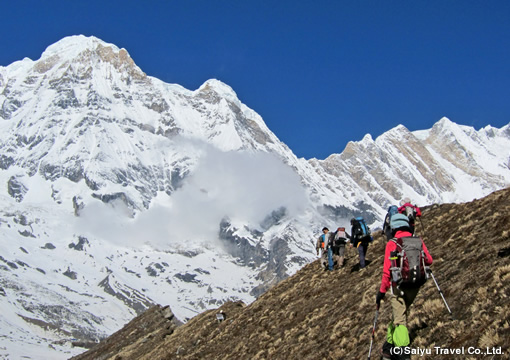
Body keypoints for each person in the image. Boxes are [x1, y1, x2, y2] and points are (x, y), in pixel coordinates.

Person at [376, 213, 433, 360]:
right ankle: (388, 348)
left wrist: (381, 292)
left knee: (400, 320)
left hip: (398, 286)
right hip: (415, 285)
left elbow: (387, 272)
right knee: (399, 315)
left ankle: (403, 353)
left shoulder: (392, 243)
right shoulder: (417, 240)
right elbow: (429, 260)